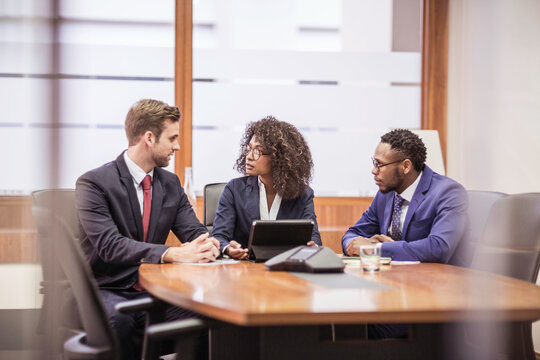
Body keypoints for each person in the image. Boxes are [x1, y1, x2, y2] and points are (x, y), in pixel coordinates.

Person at [76, 99, 220, 360]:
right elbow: (111, 246)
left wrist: (216, 244)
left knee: (213, 317)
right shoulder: (94, 184)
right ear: (149, 138)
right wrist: (173, 254)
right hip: (106, 289)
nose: (177, 146)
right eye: (172, 138)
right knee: (120, 322)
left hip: (154, 291)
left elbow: (195, 233)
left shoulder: (170, 183)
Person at [341, 129, 468, 338]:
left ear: (406, 166)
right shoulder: (386, 194)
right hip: (393, 291)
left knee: (357, 325)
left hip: (433, 300)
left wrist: (378, 249)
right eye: (374, 163)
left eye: (379, 164)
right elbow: (353, 233)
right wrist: (354, 242)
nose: (374, 171)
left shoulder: (447, 193)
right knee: (342, 318)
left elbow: (439, 248)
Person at [212, 116, 322, 259]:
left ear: (279, 158)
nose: (249, 156)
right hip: (244, 271)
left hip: (286, 271)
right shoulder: (234, 189)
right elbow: (218, 236)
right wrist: (227, 248)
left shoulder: (303, 194)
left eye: (257, 151)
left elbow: (315, 239)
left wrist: (312, 247)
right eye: (249, 149)